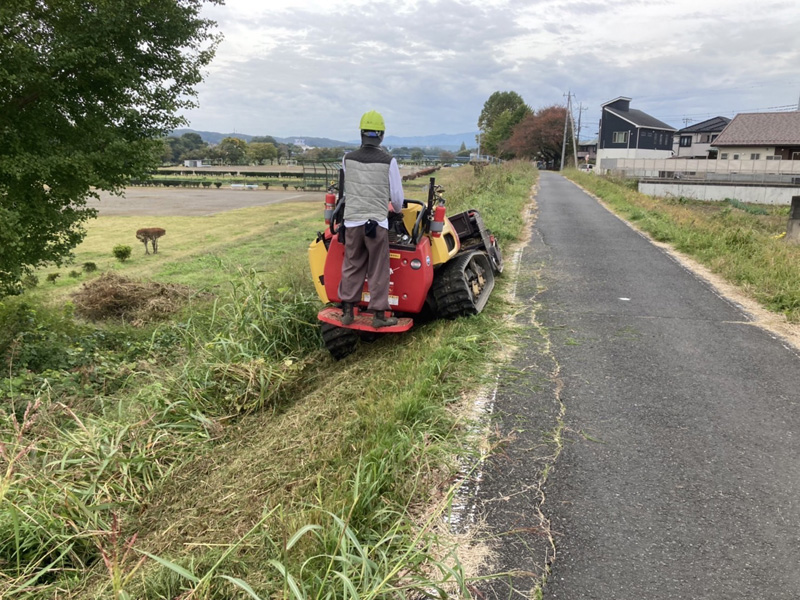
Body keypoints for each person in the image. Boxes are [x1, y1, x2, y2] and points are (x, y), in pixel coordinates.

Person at [338, 110, 404, 327]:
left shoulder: (347, 159)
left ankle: (348, 311)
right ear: (381, 135)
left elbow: (350, 187)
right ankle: (377, 316)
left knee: (352, 264)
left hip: (352, 221)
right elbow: (396, 196)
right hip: (376, 223)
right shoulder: (389, 161)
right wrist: (396, 208)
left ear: (361, 134)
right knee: (378, 267)